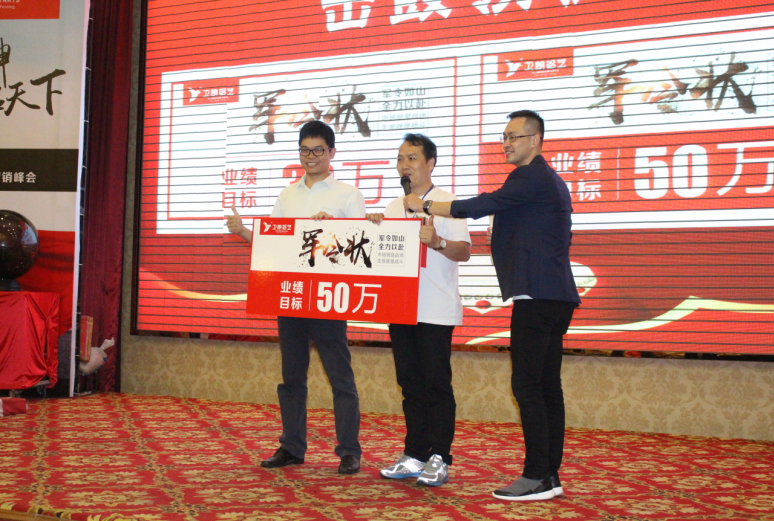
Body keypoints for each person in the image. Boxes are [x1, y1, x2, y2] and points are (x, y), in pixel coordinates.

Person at [404, 110, 580, 500]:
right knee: (546, 386)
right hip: (554, 294)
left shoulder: (530, 177)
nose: (507, 143)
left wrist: (427, 206)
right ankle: (548, 475)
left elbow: (479, 205)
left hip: (538, 296)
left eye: (515, 136)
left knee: (529, 385)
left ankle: (537, 475)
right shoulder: (546, 181)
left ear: (536, 140)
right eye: (504, 136)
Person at [228, 120, 365, 474]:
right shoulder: (287, 195)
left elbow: (361, 248)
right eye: (305, 150)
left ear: (332, 152)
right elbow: (273, 244)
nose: (311, 156)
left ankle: (349, 451)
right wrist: (243, 232)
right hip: (291, 295)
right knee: (291, 378)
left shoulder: (348, 195)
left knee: (340, 377)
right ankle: (291, 447)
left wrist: (333, 228)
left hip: (329, 295)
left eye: (318, 150)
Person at [366, 134, 470, 486]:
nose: (405, 165)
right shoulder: (394, 207)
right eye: (400, 159)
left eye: (412, 158)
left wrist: (437, 242)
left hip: (436, 308)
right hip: (401, 307)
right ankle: (414, 454)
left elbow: (464, 251)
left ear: (430, 163)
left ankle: (439, 456)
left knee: (436, 383)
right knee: (409, 383)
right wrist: (373, 229)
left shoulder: (447, 202)